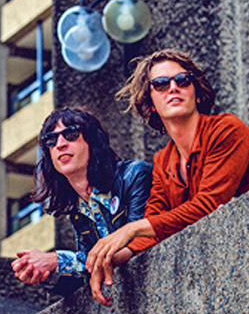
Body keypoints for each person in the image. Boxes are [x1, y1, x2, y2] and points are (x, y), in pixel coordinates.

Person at [84, 49, 249, 306]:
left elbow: (208, 206)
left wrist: (130, 228)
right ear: (150, 103)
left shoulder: (227, 129)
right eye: (161, 84)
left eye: (183, 80)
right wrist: (109, 258)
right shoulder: (163, 160)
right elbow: (155, 227)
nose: (173, 88)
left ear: (197, 92)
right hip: (217, 274)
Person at [10, 107, 152, 296]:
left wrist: (57, 260)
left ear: (92, 141)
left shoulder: (134, 175)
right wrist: (44, 273)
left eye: (71, 134)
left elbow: (141, 242)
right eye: (51, 140)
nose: (60, 144)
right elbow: (88, 270)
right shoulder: (78, 206)